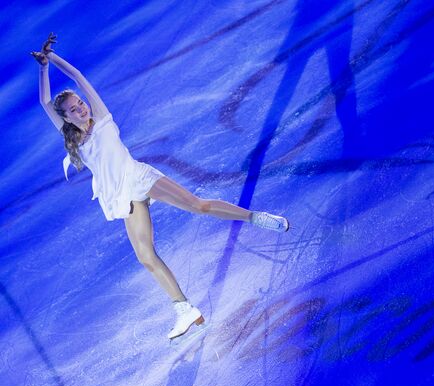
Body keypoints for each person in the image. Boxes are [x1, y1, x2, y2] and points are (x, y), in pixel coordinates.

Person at [31, 33, 290, 340]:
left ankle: (255, 217)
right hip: (121, 197)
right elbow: (45, 102)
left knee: (199, 206)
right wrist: (43, 69)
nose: (81, 109)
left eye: (80, 104)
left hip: (139, 178)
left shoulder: (101, 117)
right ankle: (184, 309)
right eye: (73, 110)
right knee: (145, 256)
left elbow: (78, 77)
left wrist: (54, 59)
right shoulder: (72, 137)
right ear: (66, 119)